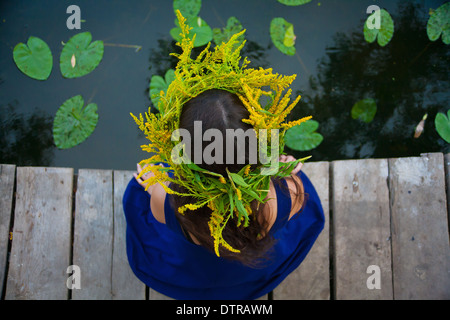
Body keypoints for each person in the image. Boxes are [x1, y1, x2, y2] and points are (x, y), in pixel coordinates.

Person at [123, 11, 324, 300]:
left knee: (137, 191)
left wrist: (150, 177)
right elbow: (299, 192)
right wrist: (288, 169)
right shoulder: (285, 198)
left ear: (184, 152)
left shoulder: (165, 200)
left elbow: (151, 185)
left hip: (193, 265)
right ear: (256, 148)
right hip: (253, 266)